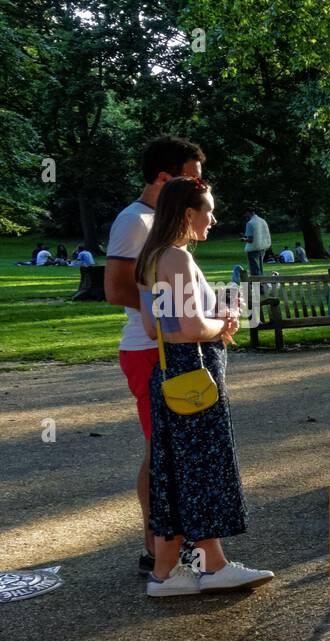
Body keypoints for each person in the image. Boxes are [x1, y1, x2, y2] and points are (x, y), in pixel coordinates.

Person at [134, 176, 273, 596]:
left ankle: (174, 570)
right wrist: (226, 323)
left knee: (179, 470)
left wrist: (213, 317)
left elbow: (154, 325)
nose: (213, 218)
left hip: (170, 373)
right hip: (193, 377)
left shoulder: (151, 256)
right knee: (201, 468)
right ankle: (206, 567)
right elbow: (191, 327)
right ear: (187, 212)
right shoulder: (175, 258)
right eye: (208, 210)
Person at [105, 135, 206, 578]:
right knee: (162, 451)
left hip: (167, 345)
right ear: (164, 179)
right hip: (149, 348)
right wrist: (170, 314)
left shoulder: (161, 221)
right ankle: (155, 548)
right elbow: (117, 289)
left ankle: (165, 545)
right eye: (191, 179)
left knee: (167, 449)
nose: (199, 189)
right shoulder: (135, 222)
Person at [243, 210, 271, 276]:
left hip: (253, 248)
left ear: (248, 212)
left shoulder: (250, 223)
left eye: (245, 214)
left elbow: (250, 239)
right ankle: (261, 284)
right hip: (263, 247)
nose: (245, 216)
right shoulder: (262, 221)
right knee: (260, 268)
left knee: (254, 269)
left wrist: (244, 239)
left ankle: (256, 285)